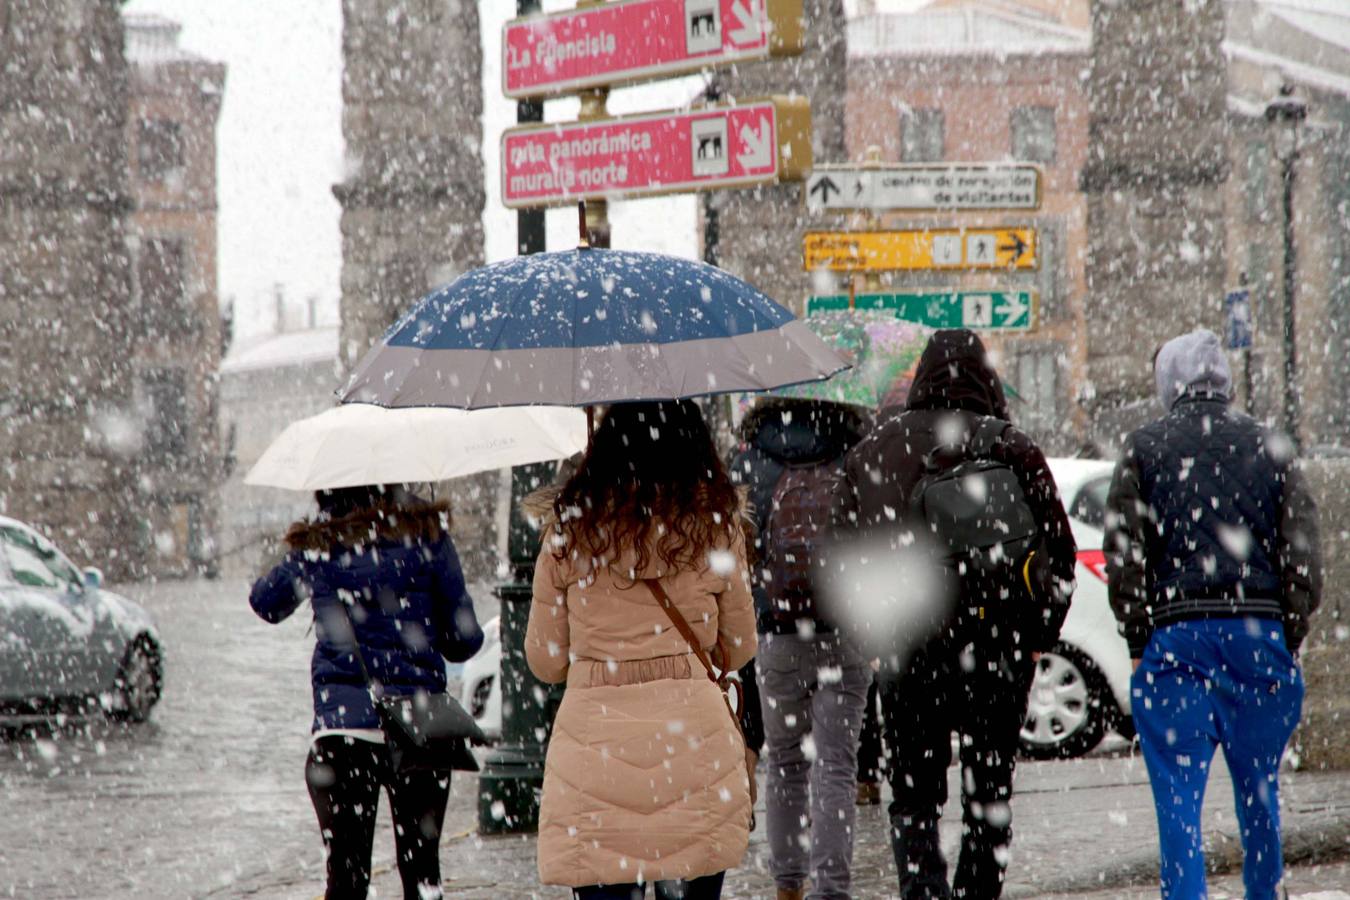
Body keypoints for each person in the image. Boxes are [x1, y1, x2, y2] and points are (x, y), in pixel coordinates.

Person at [832, 329, 1077, 900]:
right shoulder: (1010, 445)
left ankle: (924, 893)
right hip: (997, 649)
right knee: (988, 791)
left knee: (914, 796)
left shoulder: (875, 449)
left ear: (921, 377)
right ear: (985, 378)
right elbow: (1060, 552)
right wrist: (1039, 634)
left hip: (907, 648)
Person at [1104, 329, 1322, 900]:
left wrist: (1136, 634)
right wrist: (1287, 626)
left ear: (1168, 382)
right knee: (1259, 789)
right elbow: (1302, 546)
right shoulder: (1269, 442)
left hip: (1177, 633)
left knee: (1177, 796)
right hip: (1257, 629)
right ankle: (1263, 889)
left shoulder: (1145, 446)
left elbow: (1124, 552)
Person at [525, 400, 758, 900]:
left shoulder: (567, 534)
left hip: (594, 754)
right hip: (695, 751)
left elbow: (546, 661)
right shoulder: (717, 528)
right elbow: (738, 649)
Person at [249, 485, 484, 900]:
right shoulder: (427, 534)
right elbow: (464, 640)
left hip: (342, 732)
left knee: (345, 877)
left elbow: (266, 602)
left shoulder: (321, 543)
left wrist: (309, 547)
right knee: (423, 874)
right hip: (419, 727)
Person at [730, 398, 872, 900]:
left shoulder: (750, 462)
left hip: (777, 632)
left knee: (786, 764)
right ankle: (831, 889)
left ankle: (788, 885)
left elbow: (735, 553)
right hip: (845, 631)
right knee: (836, 764)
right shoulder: (858, 453)